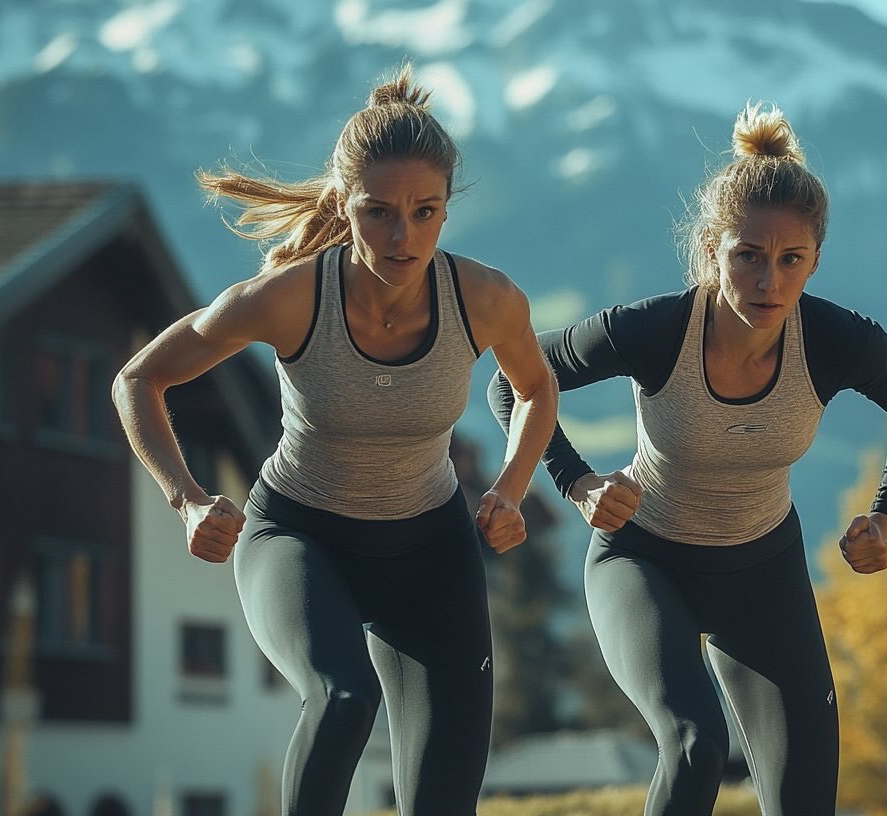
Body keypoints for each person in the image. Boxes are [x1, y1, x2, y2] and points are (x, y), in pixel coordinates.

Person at [112, 66, 557, 816]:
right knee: (343, 700)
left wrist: (511, 486)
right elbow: (138, 379)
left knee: (445, 798)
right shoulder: (286, 300)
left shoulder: (483, 299)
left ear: (448, 210)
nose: (401, 235)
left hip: (431, 550)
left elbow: (538, 388)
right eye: (378, 212)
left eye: (425, 212)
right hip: (300, 536)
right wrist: (185, 499)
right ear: (343, 204)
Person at [490, 102, 887, 815]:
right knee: (697, 744)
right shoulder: (656, 329)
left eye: (791, 260)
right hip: (642, 560)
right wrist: (575, 484)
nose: (769, 281)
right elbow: (514, 382)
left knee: (806, 800)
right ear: (710, 250)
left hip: (763, 572)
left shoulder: (838, 341)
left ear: (816, 261)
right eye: (748, 257)